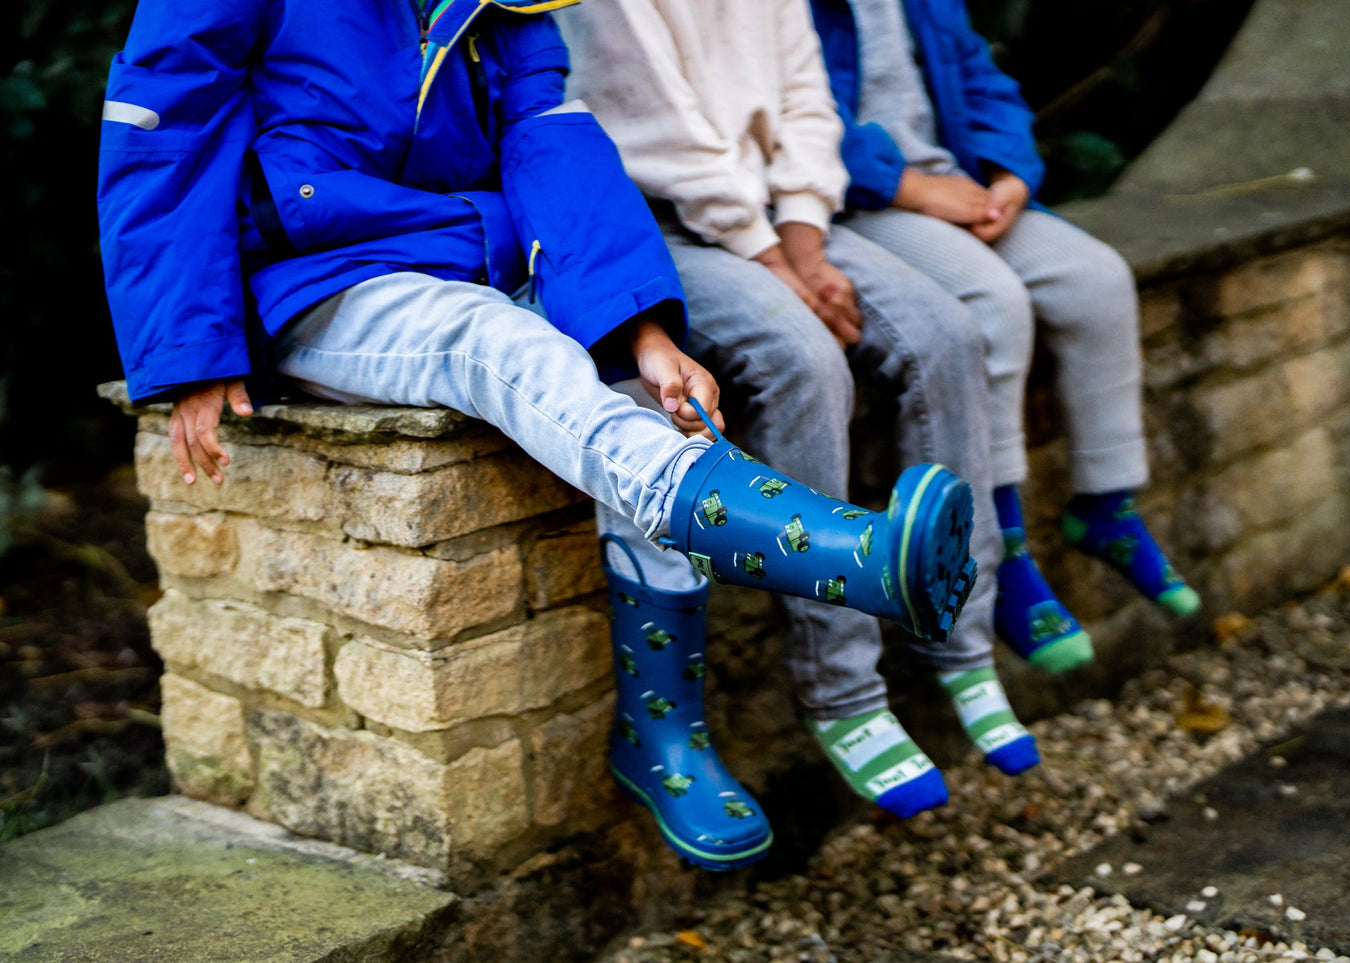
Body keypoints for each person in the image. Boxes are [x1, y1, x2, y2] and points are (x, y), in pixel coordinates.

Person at [98, 0, 982, 874]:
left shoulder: (512, 0)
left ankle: (664, 735)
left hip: (464, 249)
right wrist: (191, 349)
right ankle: (847, 552)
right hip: (316, 273)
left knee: (642, 388)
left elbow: (555, 146)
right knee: (495, 341)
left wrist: (645, 334)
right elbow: (162, 116)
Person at [557, 0, 1041, 843]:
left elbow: (808, 99)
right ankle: (843, 689)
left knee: (946, 335)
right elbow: (657, 129)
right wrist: (772, 257)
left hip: (783, 219)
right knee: (801, 356)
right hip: (654, 226)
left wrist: (806, 236)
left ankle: (960, 641)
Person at [806, 0, 1201, 674]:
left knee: (1096, 280)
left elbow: (981, 75)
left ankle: (1106, 504)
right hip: (856, 206)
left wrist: (1009, 171)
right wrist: (906, 185)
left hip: (958, 187)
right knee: (991, 300)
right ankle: (1001, 547)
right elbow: (787, 118)